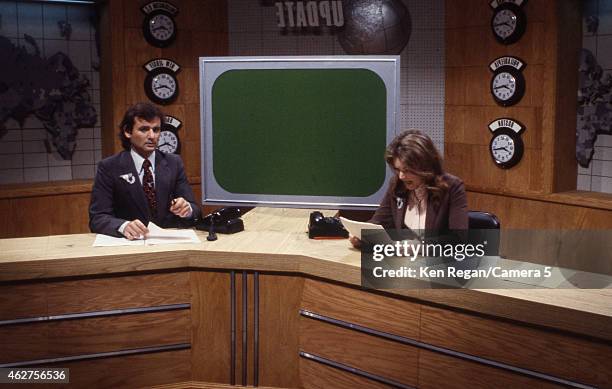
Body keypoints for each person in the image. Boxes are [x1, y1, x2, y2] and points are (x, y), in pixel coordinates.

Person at [89, 102, 201, 239]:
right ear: (128, 132)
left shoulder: (174, 163)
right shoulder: (109, 167)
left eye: (156, 130)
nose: (152, 136)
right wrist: (123, 226)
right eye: (144, 129)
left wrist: (187, 209)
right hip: (130, 245)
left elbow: (195, 211)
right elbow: (98, 218)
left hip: (168, 244)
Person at [350, 129, 468, 248]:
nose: (401, 176)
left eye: (406, 170)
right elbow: (379, 222)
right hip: (400, 261)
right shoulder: (397, 184)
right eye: (398, 169)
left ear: (424, 166)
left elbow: (457, 239)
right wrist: (361, 235)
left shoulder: (452, 187)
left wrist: (416, 246)